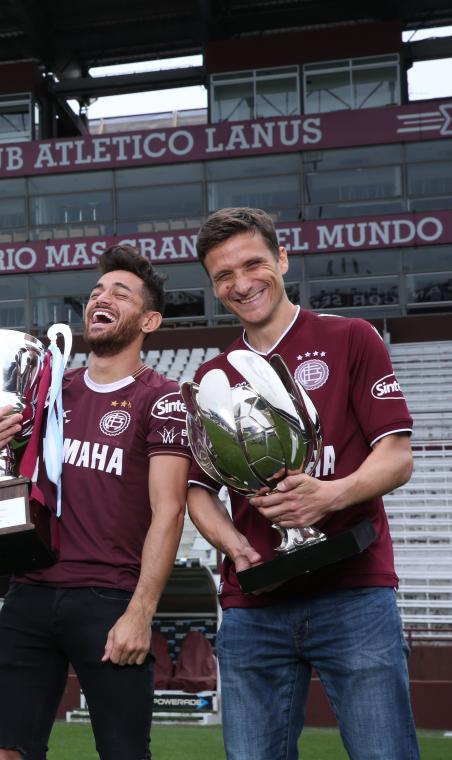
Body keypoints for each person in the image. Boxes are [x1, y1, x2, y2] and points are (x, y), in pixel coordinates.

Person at [186, 207, 419, 760]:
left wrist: (330, 494)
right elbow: (198, 490)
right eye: (223, 276)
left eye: (253, 264)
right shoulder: (212, 378)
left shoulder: (351, 338)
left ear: (283, 259)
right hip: (254, 603)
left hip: (354, 594)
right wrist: (234, 545)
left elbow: (398, 456)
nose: (241, 284)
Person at [0, 245, 190, 760]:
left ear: (149, 320)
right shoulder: (46, 392)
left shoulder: (165, 398)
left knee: (123, 753)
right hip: (30, 592)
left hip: (108, 598)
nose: (100, 298)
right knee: (8, 752)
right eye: (95, 292)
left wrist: (141, 612)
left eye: (119, 292)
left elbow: (170, 510)